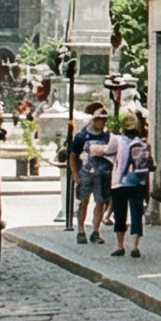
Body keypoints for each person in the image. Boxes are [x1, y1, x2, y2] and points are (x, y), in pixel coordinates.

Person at [100, 111, 152, 258]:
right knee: (136, 214)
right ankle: (134, 246)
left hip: (119, 182)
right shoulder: (143, 142)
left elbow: (107, 152)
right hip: (138, 182)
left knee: (119, 214)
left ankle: (120, 245)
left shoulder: (116, 139)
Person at [68, 103, 112, 244]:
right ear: (94, 119)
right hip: (86, 172)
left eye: (104, 120)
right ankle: (81, 230)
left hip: (102, 173)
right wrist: (75, 174)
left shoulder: (107, 135)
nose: (102, 122)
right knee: (83, 201)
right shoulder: (82, 135)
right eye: (100, 120)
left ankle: (95, 231)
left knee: (101, 202)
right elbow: (73, 156)